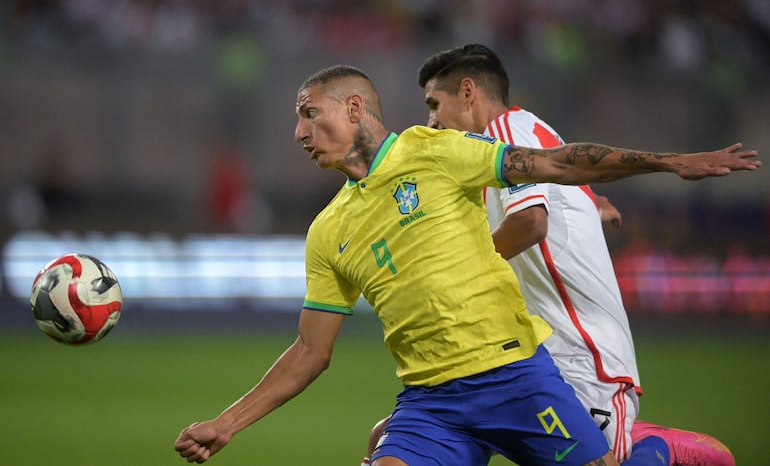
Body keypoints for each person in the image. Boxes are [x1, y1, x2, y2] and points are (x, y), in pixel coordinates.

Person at [174, 64, 759, 466]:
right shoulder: (328, 231)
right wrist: (226, 423)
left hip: (515, 379)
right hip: (430, 403)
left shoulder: (436, 152)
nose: (298, 132)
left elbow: (555, 166)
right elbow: (310, 350)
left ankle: (654, 449)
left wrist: (669, 161)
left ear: (353, 107)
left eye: (308, 114)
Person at [360, 45, 739, 466]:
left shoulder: (507, 129)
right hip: (521, 356)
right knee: (392, 439)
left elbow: (531, 223)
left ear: (468, 92)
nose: (429, 120)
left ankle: (656, 449)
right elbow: (560, 178)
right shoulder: (491, 157)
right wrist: (591, 203)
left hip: (581, 353)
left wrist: (454, 277)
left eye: (434, 104)